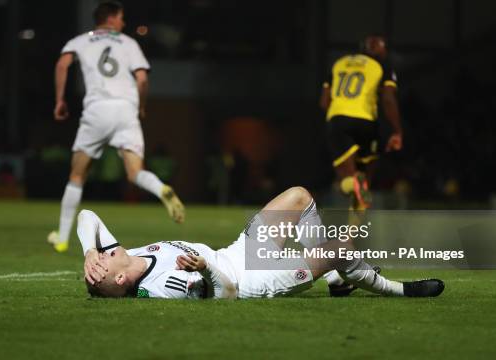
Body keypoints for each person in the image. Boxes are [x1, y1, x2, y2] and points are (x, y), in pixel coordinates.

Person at [78, 186, 444, 299]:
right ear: (122, 280)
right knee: (340, 247)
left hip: (240, 250)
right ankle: (395, 289)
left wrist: (88, 252)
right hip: (260, 278)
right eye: (101, 267)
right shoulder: (165, 285)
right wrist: (206, 271)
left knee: (299, 196)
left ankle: (335, 280)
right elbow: (229, 293)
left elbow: (87, 216)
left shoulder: (123, 256)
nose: (104, 258)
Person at [48, 0, 185, 253]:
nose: (123, 22)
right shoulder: (129, 43)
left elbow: (61, 65)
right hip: (125, 109)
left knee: (77, 175)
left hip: (97, 109)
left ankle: (63, 237)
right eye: (121, 18)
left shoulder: (79, 41)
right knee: (134, 173)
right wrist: (141, 106)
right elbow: (142, 79)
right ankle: (160, 188)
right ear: (110, 18)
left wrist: (59, 100)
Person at [320, 35, 403, 210]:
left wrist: (336, 122)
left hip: (339, 119)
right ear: (382, 51)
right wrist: (397, 131)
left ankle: (352, 184)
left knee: (345, 183)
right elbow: (388, 100)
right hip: (367, 123)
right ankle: (352, 234)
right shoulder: (383, 66)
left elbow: (324, 102)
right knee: (364, 185)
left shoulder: (339, 63)